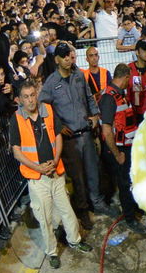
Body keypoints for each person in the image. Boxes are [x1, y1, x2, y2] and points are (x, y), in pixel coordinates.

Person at [9, 79, 91, 269]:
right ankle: (52, 252)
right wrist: (38, 168)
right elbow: (17, 152)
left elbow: (57, 136)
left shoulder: (47, 110)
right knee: (44, 218)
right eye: (26, 97)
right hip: (37, 178)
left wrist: (54, 161)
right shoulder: (17, 119)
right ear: (19, 100)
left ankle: (75, 240)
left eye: (32, 95)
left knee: (66, 210)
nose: (30, 100)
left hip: (55, 172)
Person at [39, 42, 110, 224]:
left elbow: (88, 96)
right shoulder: (51, 83)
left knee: (93, 170)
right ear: (57, 59)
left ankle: (97, 202)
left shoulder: (79, 75)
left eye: (69, 56)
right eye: (64, 57)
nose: (68, 60)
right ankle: (83, 209)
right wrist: (57, 124)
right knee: (77, 176)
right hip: (69, 139)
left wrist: (95, 115)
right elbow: (43, 107)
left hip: (86, 132)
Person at [98, 63, 144, 236]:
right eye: (128, 79)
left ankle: (134, 208)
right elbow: (107, 130)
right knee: (124, 184)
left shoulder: (119, 93)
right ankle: (130, 218)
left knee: (130, 182)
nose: (129, 83)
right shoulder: (109, 98)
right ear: (124, 77)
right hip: (118, 150)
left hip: (126, 147)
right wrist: (117, 155)